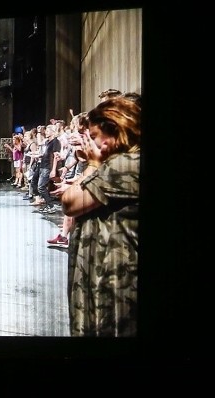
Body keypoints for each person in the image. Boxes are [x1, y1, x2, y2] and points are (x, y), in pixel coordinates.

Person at [60, 95, 140, 337]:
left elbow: (71, 202)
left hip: (113, 282)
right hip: (105, 274)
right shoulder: (118, 163)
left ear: (115, 131)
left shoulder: (124, 165)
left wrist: (93, 165)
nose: (90, 143)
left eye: (93, 137)